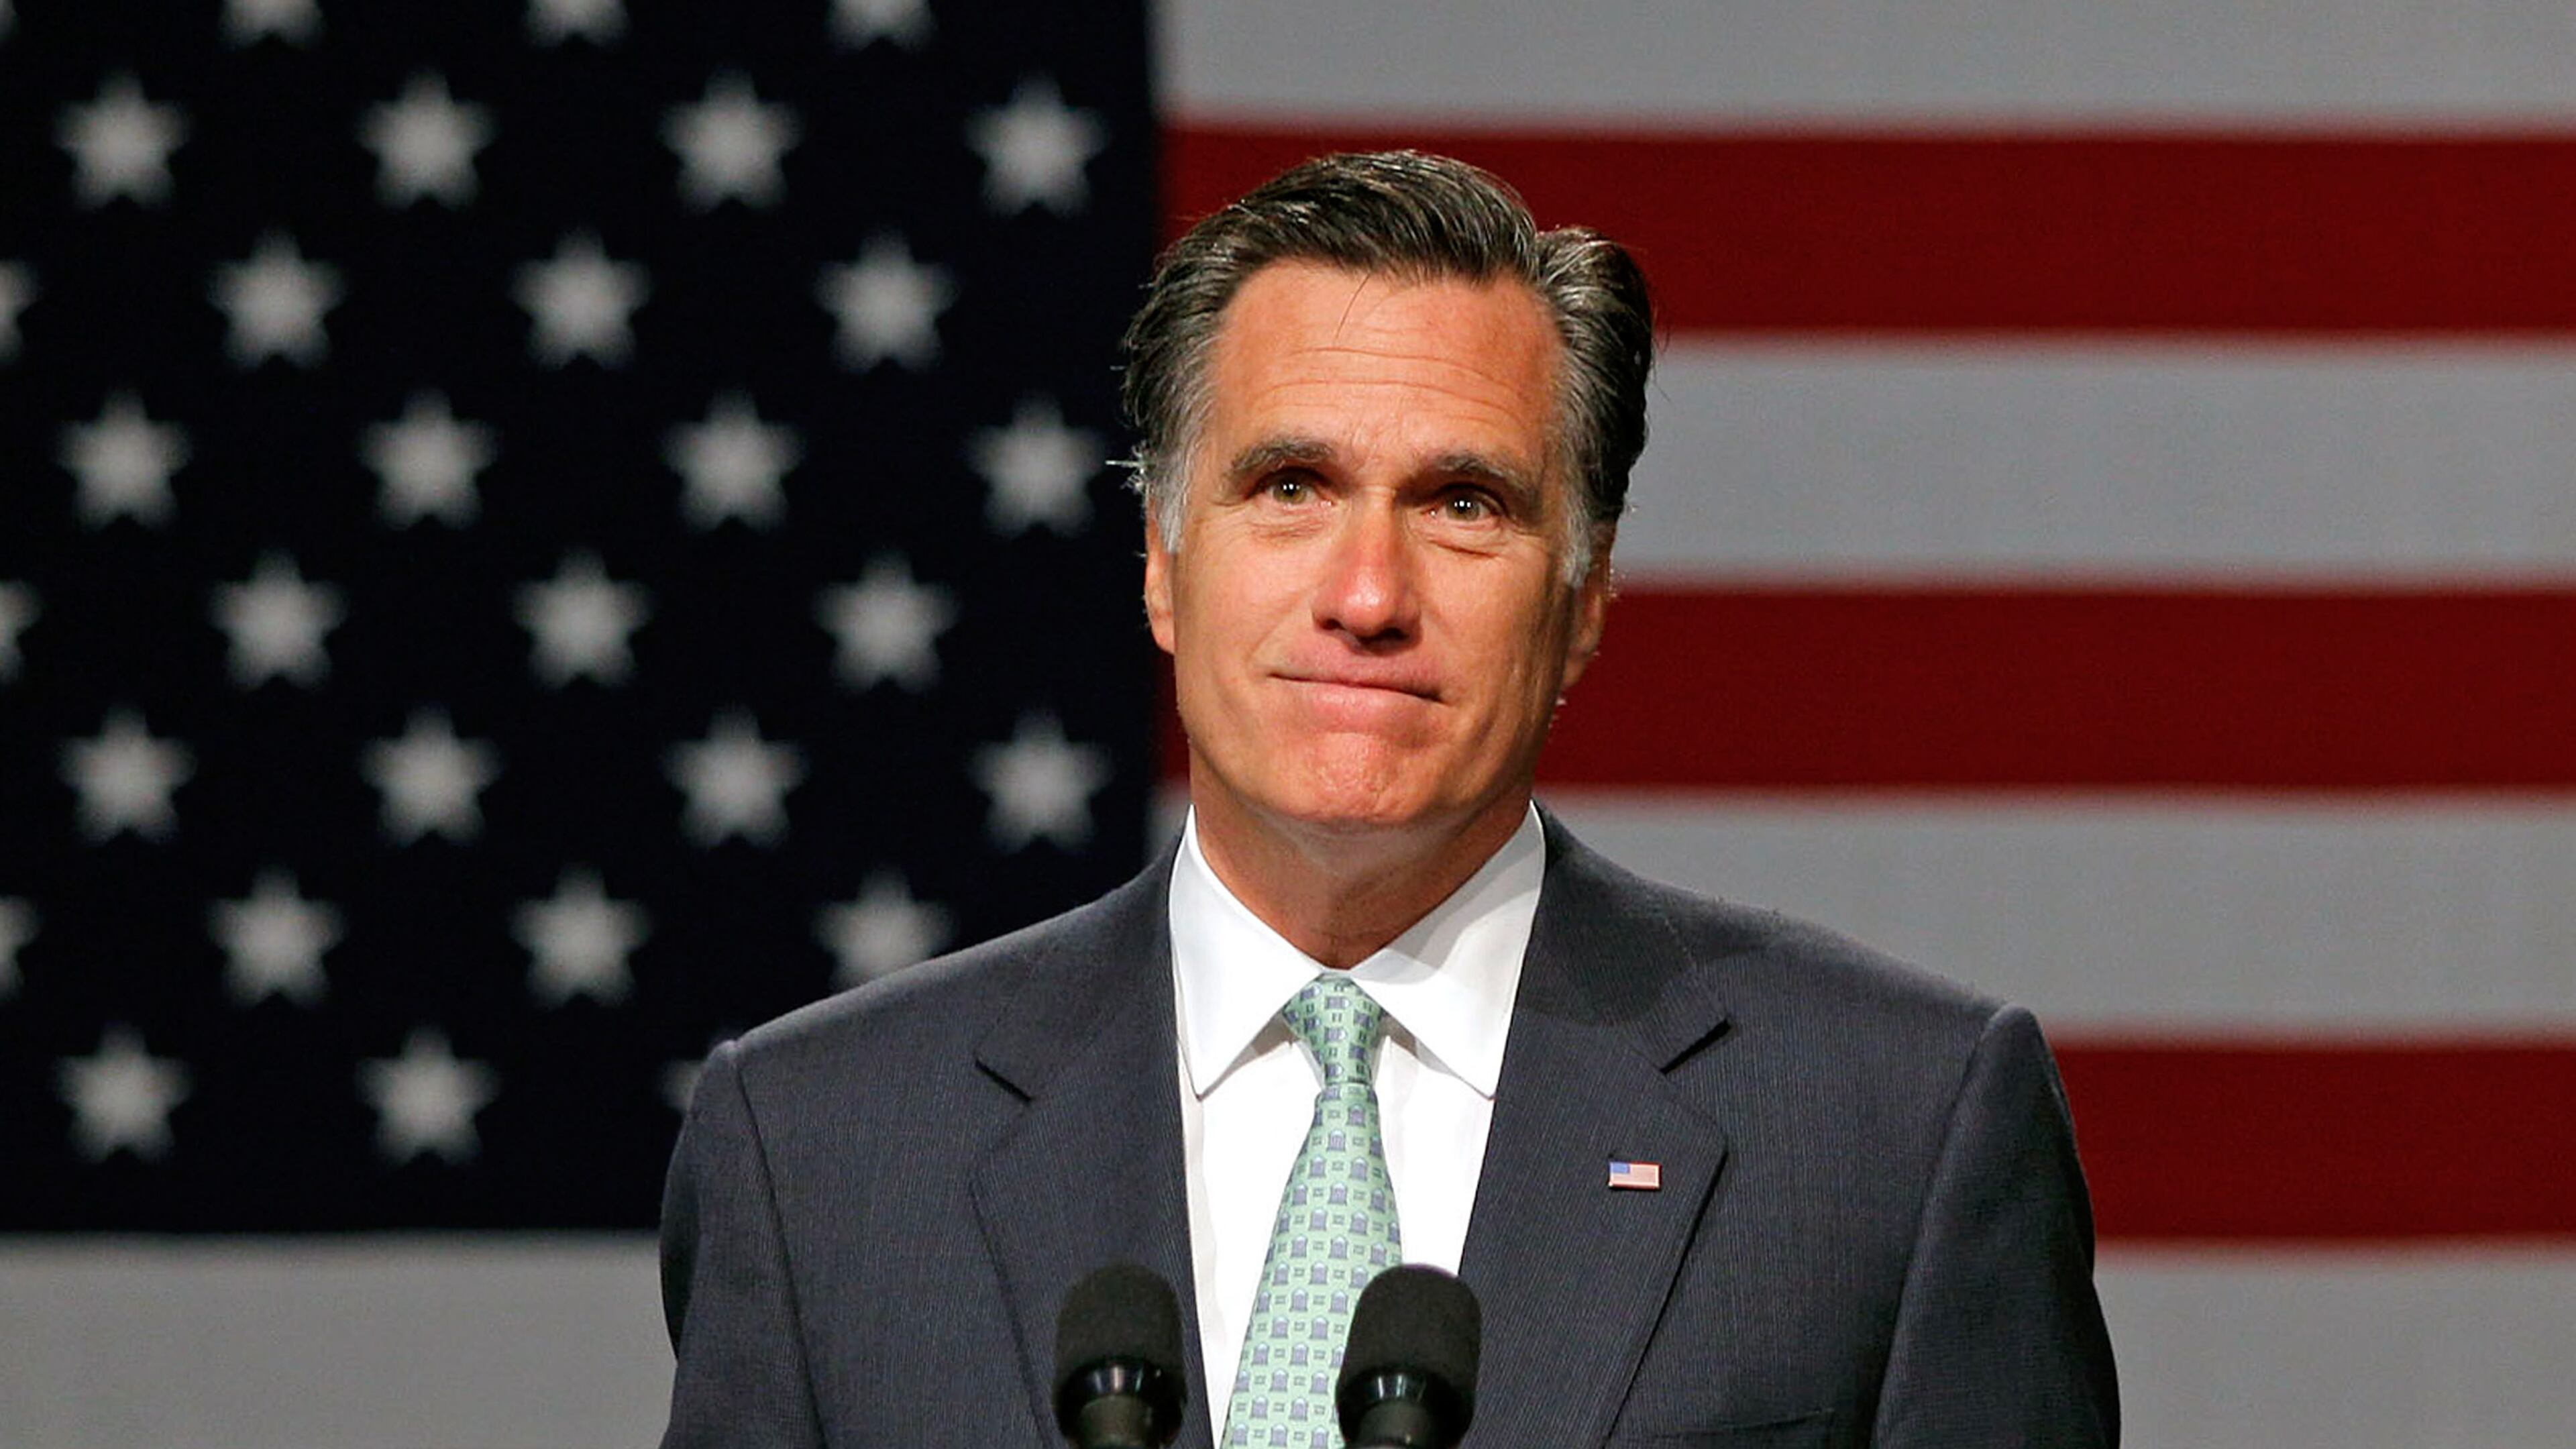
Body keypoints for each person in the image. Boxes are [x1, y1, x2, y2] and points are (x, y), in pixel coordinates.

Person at [659, 151, 2118, 1449]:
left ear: (1589, 590)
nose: (1367, 597)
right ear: (1165, 561)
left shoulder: (1895, 1132)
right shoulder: (820, 1153)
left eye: (1464, 504)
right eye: (1291, 485)